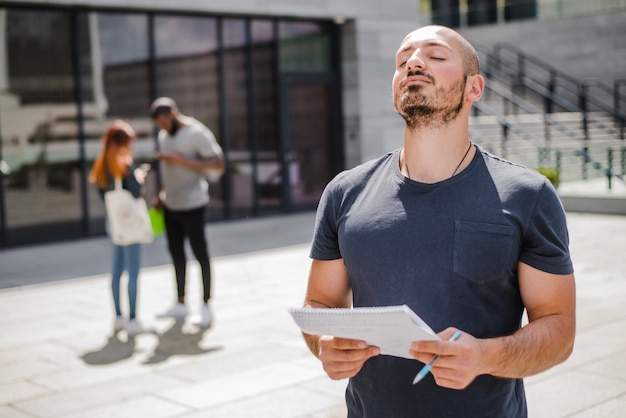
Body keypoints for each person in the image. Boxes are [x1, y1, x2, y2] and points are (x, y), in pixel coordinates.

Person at [300, 25, 576, 417]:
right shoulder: (344, 192)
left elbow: (559, 330)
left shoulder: (527, 196)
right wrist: (323, 341)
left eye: (436, 55)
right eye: (403, 60)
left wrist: (484, 356)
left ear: (473, 88)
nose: (413, 62)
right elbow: (320, 303)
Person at [150, 97, 225, 328]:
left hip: (193, 204)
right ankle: (181, 303)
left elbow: (218, 164)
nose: (161, 129)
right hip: (170, 204)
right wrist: (159, 194)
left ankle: (206, 306)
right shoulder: (164, 136)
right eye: (158, 125)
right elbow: (166, 168)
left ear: (174, 113)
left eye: (163, 122)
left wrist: (182, 160)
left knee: (200, 253)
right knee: (176, 254)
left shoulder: (196, 133)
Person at [89, 119, 155, 337]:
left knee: (116, 271)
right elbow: (137, 192)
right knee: (133, 272)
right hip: (129, 224)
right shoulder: (125, 165)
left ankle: (118, 317)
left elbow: (102, 195)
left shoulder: (101, 165)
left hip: (114, 223)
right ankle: (133, 319)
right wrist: (140, 178)